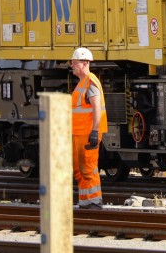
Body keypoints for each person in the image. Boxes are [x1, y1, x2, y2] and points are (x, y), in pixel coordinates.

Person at [70, 47, 107, 210]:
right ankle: (85, 202)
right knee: (79, 169)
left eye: (74, 63)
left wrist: (94, 131)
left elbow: (96, 108)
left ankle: (94, 202)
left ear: (84, 63)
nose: (72, 65)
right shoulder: (82, 83)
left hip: (87, 134)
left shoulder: (91, 83)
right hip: (79, 133)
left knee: (89, 168)